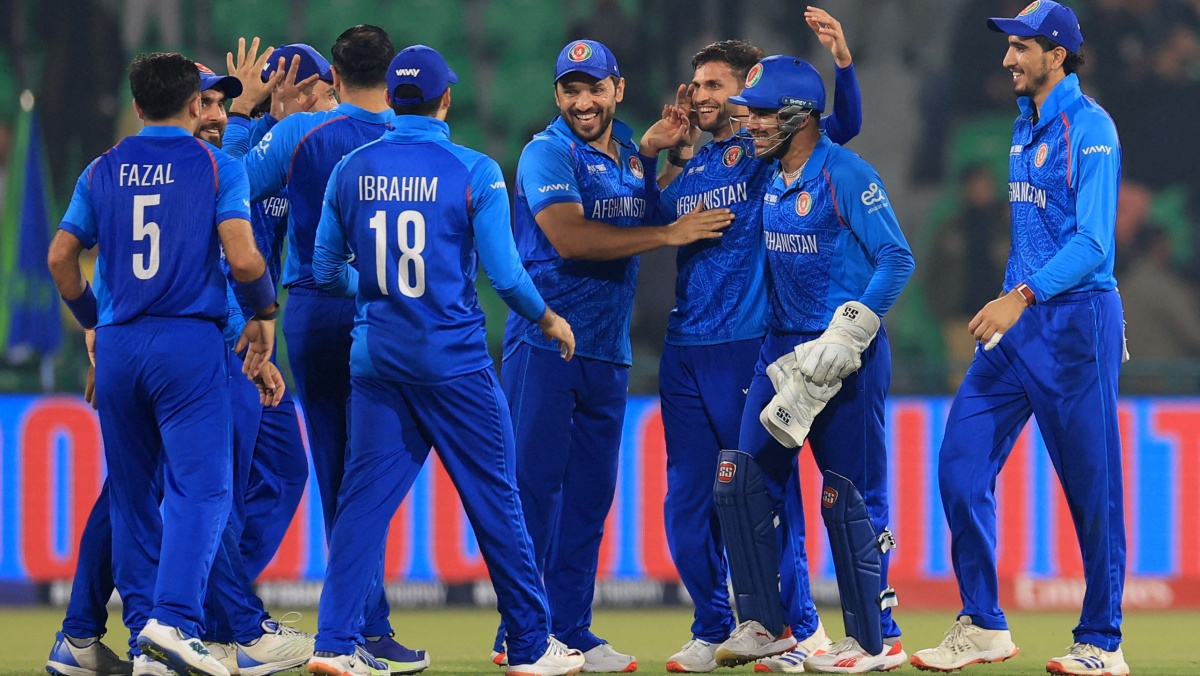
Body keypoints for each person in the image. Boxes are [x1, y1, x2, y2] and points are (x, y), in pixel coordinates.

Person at [308, 45, 585, 676]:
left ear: (392, 99)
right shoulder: (474, 169)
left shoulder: (351, 168)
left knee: (361, 508)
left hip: (378, 365)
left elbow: (324, 270)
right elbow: (506, 275)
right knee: (497, 502)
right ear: (445, 99)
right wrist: (547, 317)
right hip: (454, 365)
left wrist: (383, 291)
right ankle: (530, 645)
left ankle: (331, 644)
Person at [496, 38, 734, 672]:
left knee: (589, 498)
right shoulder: (545, 151)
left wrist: (668, 153)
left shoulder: (630, 150)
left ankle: (571, 630)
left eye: (593, 88)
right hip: (544, 343)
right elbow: (570, 237)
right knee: (534, 490)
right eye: (571, 90)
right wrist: (666, 233)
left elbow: (654, 206)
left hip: (607, 350)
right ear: (557, 96)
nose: (583, 101)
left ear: (617, 90)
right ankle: (517, 633)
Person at [909, 3, 1129, 675]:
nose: (1007, 59)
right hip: (1017, 327)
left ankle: (1102, 642)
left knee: (1093, 491)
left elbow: (1092, 243)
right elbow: (1034, 236)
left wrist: (1021, 295)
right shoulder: (1022, 125)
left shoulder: (1091, 130)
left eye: (1021, 48)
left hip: (1076, 324)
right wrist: (1015, 300)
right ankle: (982, 623)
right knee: (958, 466)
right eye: (1008, 47)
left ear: (1057, 54)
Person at [46, 52, 279, 676]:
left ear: (140, 104)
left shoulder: (101, 170)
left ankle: (144, 637)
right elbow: (245, 257)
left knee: (130, 495)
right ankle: (173, 623)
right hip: (186, 342)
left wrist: (95, 322)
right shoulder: (213, 165)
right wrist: (264, 310)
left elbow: (61, 259)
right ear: (187, 103)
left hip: (120, 347)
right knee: (202, 489)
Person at [653, 8, 864, 673]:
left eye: (717, 85)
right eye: (697, 86)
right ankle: (715, 621)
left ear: (748, 93)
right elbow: (644, 216)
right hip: (684, 347)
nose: (702, 96)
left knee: (762, 495)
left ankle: (797, 627)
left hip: (749, 344)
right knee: (688, 499)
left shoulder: (761, 155)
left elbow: (843, 126)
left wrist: (844, 66)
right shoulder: (693, 167)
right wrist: (649, 152)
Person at [221, 28, 429, 674]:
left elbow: (226, 185)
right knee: (378, 470)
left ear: (334, 76)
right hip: (391, 308)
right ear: (393, 73)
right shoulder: (410, 131)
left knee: (340, 474)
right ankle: (367, 627)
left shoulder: (298, 135)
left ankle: (359, 627)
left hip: (313, 308)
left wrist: (246, 116)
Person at [708, 54, 914, 674]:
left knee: (847, 496)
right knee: (742, 481)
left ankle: (878, 639)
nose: (754, 125)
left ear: (799, 118)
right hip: (782, 351)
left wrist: (851, 331)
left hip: (843, 356)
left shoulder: (846, 174)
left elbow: (896, 259)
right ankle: (771, 627)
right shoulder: (768, 173)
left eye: (766, 115)